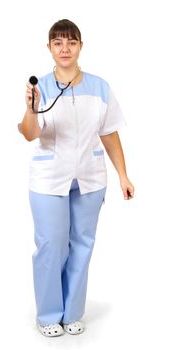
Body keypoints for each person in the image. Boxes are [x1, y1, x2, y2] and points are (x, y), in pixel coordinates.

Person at [18, 19, 134, 337]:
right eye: (58, 42)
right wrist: (31, 109)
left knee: (83, 244)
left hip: (90, 177)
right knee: (51, 245)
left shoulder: (99, 87)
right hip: (48, 179)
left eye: (71, 42)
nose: (65, 48)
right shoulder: (38, 87)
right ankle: (48, 315)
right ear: (49, 48)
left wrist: (123, 174)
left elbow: (109, 133)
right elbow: (29, 134)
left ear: (81, 46)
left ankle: (72, 312)